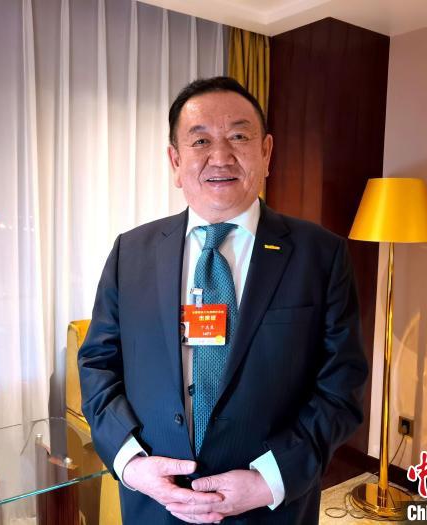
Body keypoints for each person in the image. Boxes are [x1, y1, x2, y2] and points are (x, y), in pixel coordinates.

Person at [78, 76, 368, 524]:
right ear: (175, 161)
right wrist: (131, 463)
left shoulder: (320, 255)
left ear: (266, 152)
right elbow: (98, 365)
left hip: (271, 509)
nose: (220, 156)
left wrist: (270, 479)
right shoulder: (130, 253)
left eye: (238, 137)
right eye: (200, 141)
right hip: (157, 505)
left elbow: (341, 385)